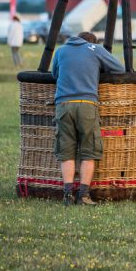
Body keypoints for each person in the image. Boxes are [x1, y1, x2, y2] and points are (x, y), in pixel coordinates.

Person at [51, 31, 124, 206]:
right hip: (86, 104)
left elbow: (55, 74)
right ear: (92, 41)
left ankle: (68, 194)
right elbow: (119, 68)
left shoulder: (60, 51)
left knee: (66, 151)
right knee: (88, 151)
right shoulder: (95, 49)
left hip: (63, 105)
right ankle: (83, 195)